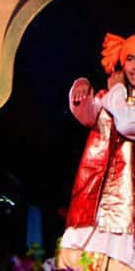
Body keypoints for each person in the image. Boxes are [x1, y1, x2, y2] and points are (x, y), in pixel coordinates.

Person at [58, 33, 135, 270]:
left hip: (127, 213)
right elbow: (87, 113)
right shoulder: (109, 97)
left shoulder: (116, 96)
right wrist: (81, 88)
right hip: (96, 205)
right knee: (79, 261)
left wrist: (118, 89)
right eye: (131, 58)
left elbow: (126, 123)